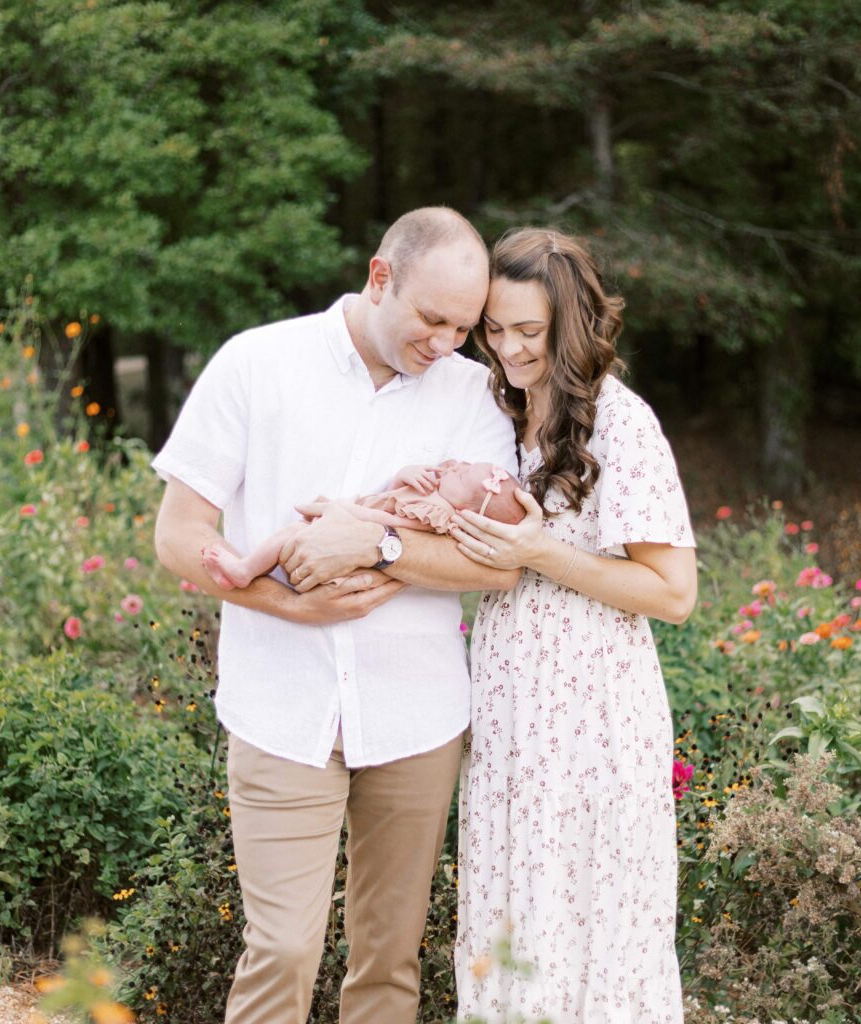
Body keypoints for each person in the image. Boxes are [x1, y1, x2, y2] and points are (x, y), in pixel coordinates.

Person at [150, 206, 519, 1024]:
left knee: (389, 961)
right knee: (280, 950)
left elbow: (495, 558)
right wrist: (287, 603)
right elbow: (179, 536)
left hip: (417, 716)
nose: (447, 344)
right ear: (379, 276)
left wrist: (378, 548)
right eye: (432, 319)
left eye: (465, 327)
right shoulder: (257, 363)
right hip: (282, 706)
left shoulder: (473, 397)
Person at [447, 227, 698, 1022]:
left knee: (592, 921)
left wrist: (540, 551)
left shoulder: (621, 425)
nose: (509, 350)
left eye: (529, 332)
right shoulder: (495, 416)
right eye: (494, 330)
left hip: (592, 716)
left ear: (572, 326)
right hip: (509, 711)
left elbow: (673, 592)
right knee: (510, 909)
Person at [201, 459, 525, 590]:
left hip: (357, 523)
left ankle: (245, 571)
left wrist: (350, 516)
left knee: (293, 533)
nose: (457, 467)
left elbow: (394, 524)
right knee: (295, 533)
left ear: (465, 508)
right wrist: (405, 474)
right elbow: (393, 494)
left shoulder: (437, 515)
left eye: (464, 476)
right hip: (353, 519)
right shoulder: (435, 488)